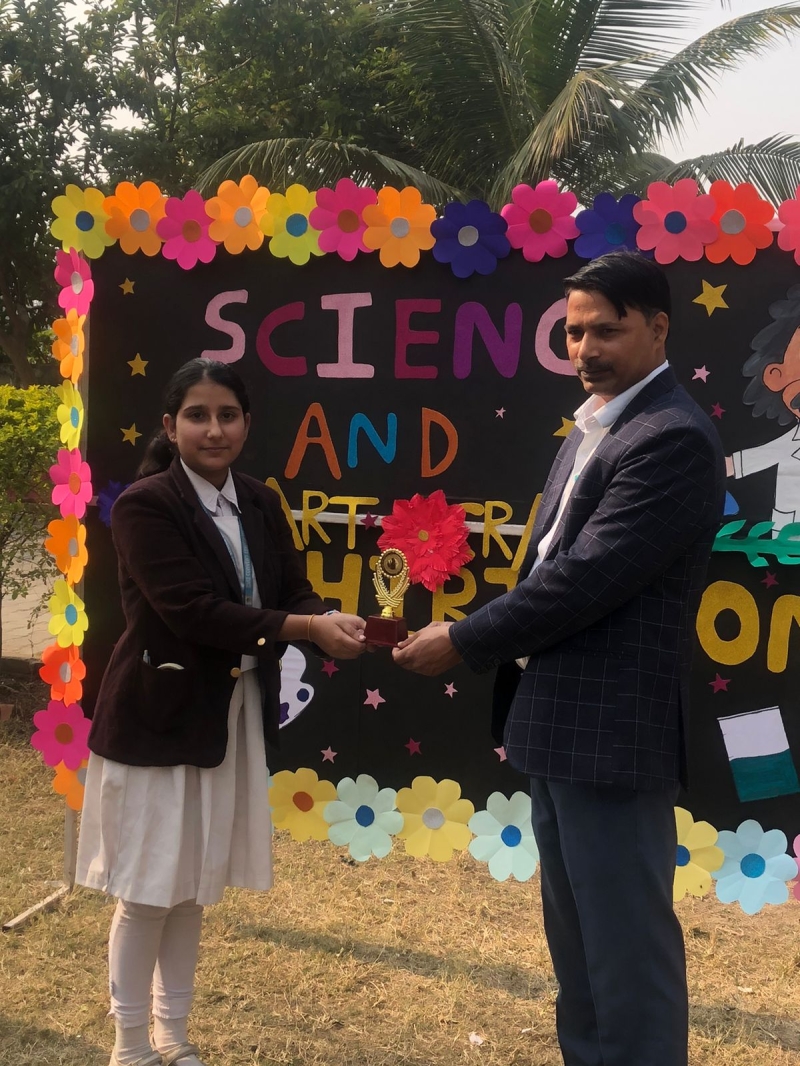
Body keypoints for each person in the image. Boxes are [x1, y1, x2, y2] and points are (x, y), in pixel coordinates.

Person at [394, 252, 725, 1066]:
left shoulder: (672, 437)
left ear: (659, 328)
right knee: (579, 954)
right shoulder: (597, 425)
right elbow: (549, 563)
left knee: (626, 956)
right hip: (557, 726)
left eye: (606, 331)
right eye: (574, 332)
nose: (585, 349)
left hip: (611, 735)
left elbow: (584, 580)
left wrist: (465, 638)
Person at [76, 358, 367, 1066]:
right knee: (148, 891)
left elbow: (292, 592)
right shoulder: (145, 505)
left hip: (231, 716)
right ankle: (129, 1046)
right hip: (158, 718)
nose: (214, 430)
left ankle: (173, 1038)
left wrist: (330, 620)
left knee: (192, 889)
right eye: (198, 416)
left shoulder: (261, 501)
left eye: (227, 415)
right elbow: (193, 612)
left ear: (246, 423)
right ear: (170, 425)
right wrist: (306, 628)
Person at [725, 283, 800, 531]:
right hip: (788, 532)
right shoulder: (793, 441)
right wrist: (728, 466)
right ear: (775, 375)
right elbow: (765, 454)